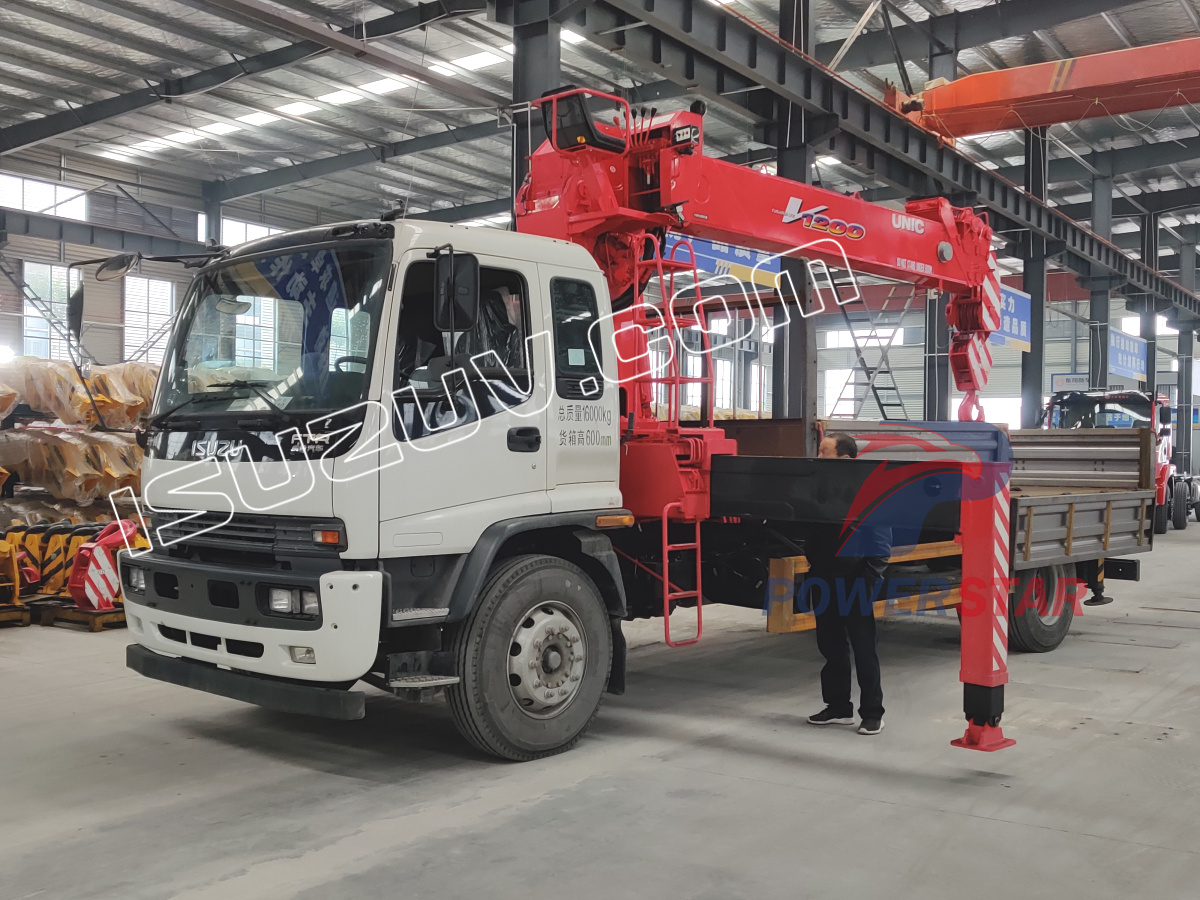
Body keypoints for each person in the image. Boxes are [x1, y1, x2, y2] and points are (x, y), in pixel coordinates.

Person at [804, 431, 889, 736]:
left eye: (825, 452)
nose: (819, 457)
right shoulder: (820, 488)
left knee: (864, 648)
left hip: (855, 581)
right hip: (823, 578)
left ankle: (872, 713)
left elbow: (880, 544)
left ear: (845, 459)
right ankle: (839, 707)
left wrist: (868, 581)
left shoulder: (867, 491)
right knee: (831, 646)